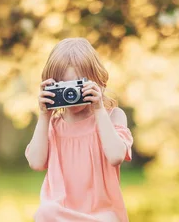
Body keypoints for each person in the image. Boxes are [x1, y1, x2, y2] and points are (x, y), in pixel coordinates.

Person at [25, 38, 133, 222]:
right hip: (61, 212)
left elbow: (116, 156)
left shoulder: (113, 116)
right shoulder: (53, 125)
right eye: (64, 87)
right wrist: (44, 115)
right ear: (52, 88)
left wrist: (98, 109)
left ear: (99, 83)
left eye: (79, 85)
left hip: (102, 213)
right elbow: (36, 163)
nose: (71, 94)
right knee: (46, 211)